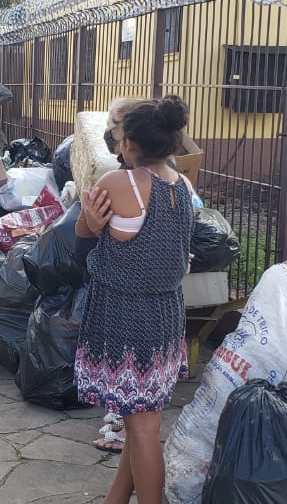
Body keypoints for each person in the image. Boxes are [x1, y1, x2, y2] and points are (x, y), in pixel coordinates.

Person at [74, 96, 195, 504]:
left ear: (129, 145)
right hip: (166, 315)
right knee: (139, 418)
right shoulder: (181, 185)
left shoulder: (119, 183)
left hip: (127, 316)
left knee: (142, 427)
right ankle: (116, 498)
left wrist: (89, 224)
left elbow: (83, 237)